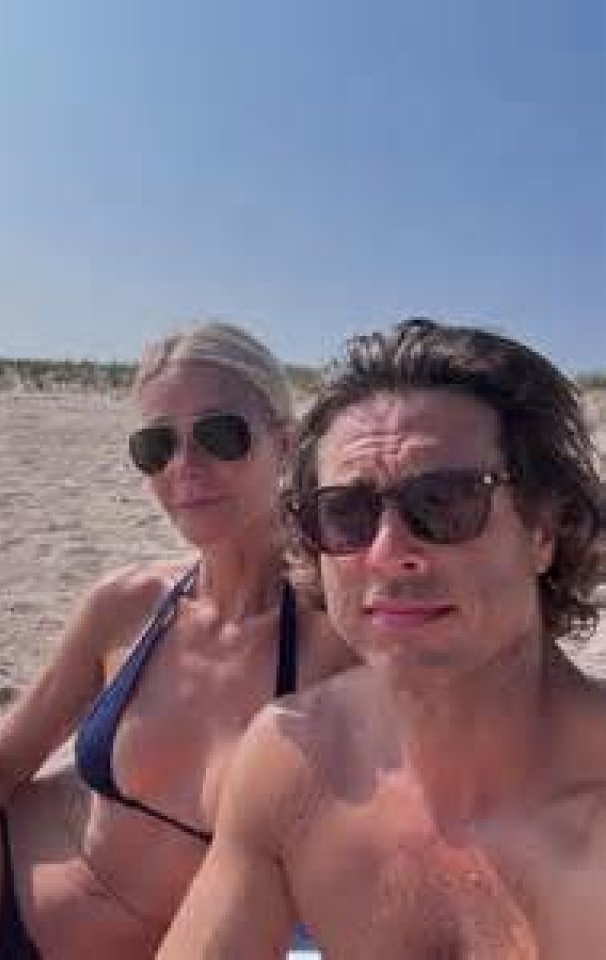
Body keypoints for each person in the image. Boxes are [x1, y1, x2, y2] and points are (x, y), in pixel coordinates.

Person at [0, 321, 353, 959]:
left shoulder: (335, 650)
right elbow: (1, 763)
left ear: (286, 442)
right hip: (3, 876)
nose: (185, 466)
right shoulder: (128, 605)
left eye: (220, 435)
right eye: (157, 446)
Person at [157, 317, 606, 959]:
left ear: (545, 530)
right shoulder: (296, 765)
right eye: (346, 512)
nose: (389, 551)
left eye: (445, 501)